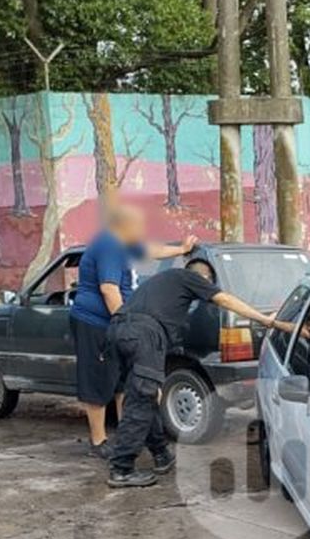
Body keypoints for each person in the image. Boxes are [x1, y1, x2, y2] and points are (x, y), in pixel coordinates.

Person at [106, 258, 294, 488]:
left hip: (119, 330)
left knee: (145, 397)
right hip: (144, 334)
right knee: (142, 400)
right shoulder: (191, 277)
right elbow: (224, 299)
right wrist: (266, 320)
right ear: (204, 278)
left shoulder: (162, 282)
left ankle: (161, 455)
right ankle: (121, 469)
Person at [70, 204, 197, 458]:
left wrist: (181, 250)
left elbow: (150, 249)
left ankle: (126, 436)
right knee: (97, 381)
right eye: (137, 226)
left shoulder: (125, 242)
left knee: (121, 382)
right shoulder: (109, 246)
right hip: (96, 323)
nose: (142, 231)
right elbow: (109, 289)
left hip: (115, 323)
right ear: (122, 225)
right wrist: (126, 324)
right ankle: (99, 442)